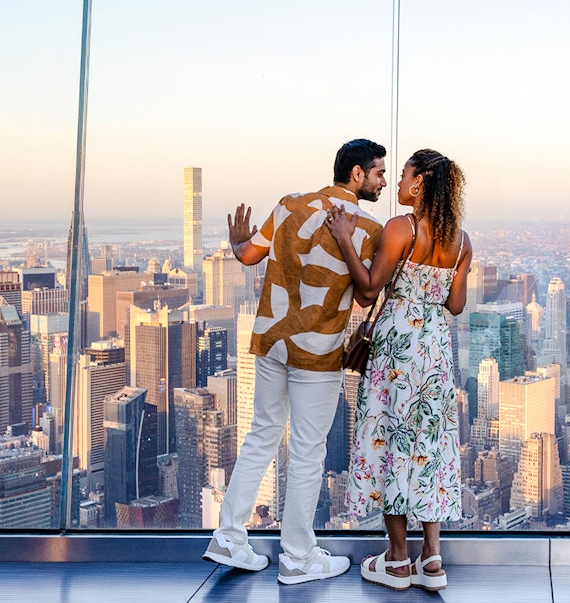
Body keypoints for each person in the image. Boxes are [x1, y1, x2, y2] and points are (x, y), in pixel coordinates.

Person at [202, 139, 387, 586]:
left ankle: (228, 536)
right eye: (379, 172)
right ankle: (298, 558)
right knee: (307, 451)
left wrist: (235, 240)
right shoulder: (368, 226)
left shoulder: (289, 204)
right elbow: (365, 296)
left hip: (271, 340)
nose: (383, 181)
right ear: (357, 175)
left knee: (261, 436)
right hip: (317, 352)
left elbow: (248, 255)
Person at [326, 148, 472, 591]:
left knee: (391, 437)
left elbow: (368, 291)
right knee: (430, 441)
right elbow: (456, 304)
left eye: (405, 174)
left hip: (396, 351)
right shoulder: (462, 241)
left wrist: (345, 239)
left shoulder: (400, 229)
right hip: (435, 350)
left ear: (421, 182)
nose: (399, 182)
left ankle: (396, 559)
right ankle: (432, 559)